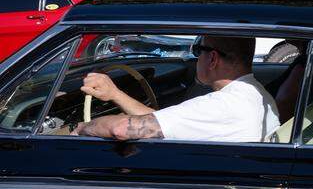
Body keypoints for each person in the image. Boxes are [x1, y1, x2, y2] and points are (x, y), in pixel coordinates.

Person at [72, 35, 280, 142]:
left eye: (199, 50)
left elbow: (121, 130)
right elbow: (163, 120)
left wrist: (80, 128)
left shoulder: (221, 106)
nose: (196, 58)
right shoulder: (257, 94)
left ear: (213, 58)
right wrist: (115, 94)